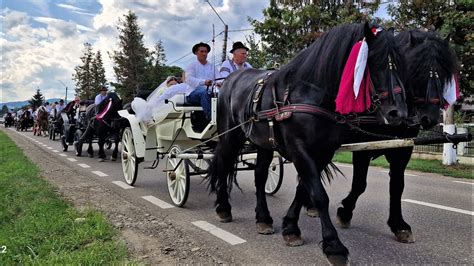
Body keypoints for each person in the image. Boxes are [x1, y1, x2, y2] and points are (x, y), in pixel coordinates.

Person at [184, 42, 220, 121]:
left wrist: (220, 83)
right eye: (202, 51)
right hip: (192, 94)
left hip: (210, 92)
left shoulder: (213, 67)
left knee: (222, 94)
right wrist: (204, 82)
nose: (204, 53)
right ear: (196, 53)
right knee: (205, 92)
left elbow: (219, 78)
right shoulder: (191, 65)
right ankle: (211, 119)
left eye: (206, 51)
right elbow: (189, 80)